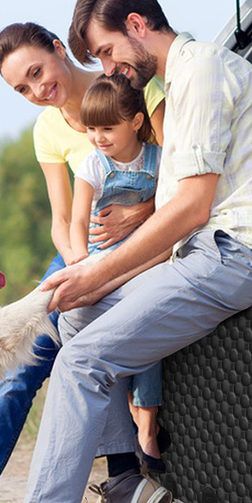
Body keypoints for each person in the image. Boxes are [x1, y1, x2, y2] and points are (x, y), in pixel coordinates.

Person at [0, 0, 252, 503]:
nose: (108, 68)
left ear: (136, 26)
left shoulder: (203, 71)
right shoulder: (176, 83)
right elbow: (175, 212)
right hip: (198, 253)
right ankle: (129, 484)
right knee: (75, 318)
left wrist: (100, 272)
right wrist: (96, 278)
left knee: (80, 361)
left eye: (107, 51)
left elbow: (191, 207)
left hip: (236, 253)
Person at [0, 22, 166, 503]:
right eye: (22, 88)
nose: (37, 89)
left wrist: (139, 215)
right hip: (80, 254)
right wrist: (80, 265)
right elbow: (62, 219)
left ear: (60, 50)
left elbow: (181, 181)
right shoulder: (48, 129)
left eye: (37, 72)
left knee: (102, 347)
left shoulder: (132, 92)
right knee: (22, 367)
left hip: (147, 246)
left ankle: (123, 489)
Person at [70, 73, 169, 474]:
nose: (98, 137)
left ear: (136, 122)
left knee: (145, 322)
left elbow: (172, 205)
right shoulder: (93, 165)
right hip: (104, 259)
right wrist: (80, 262)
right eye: (92, 129)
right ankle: (129, 416)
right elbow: (78, 221)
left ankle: (146, 423)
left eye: (108, 128)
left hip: (148, 258)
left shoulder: (160, 159)